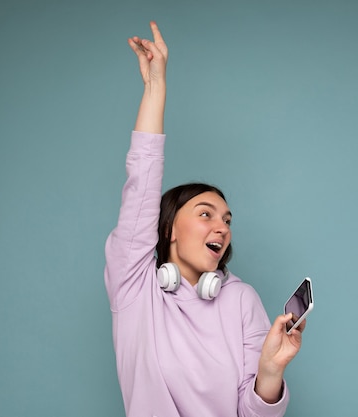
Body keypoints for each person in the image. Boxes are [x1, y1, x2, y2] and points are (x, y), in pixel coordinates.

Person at [104, 21, 304, 417]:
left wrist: (270, 372)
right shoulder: (134, 288)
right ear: (168, 229)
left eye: (227, 220)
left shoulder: (241, 299)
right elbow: (142, 179)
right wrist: (156, 86)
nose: (222, 228)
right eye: (206, 214)